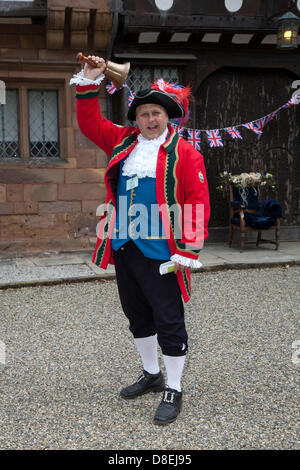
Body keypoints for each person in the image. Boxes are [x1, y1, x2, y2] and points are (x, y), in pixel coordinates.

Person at [70, 56, 210, 425]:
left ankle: (174, 387)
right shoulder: (123, 141)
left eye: (156, 113)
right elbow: (88, 123)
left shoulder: (185, 153)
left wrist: (187, 250)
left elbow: (196, 202)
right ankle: (152, 374)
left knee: (168, 319)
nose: (150, 119)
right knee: (136, 315)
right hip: (125, 246)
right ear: (136, 119)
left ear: (167, 117)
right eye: (144, 113)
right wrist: (89, 80)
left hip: (162, 251)